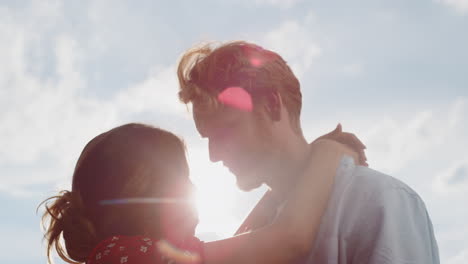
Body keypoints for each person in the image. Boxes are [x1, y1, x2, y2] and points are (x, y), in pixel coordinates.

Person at [177, 41, 440, 263]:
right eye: (208, 139)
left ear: (271, 105)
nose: (213, 155)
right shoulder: (259, 230)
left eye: (225, 131)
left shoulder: (377, 200)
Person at [39, 123, 366, 264]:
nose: (193, 189)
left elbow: (248, 239)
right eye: (183, 178)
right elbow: (289, 237)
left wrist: (289, 187)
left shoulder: (125, 255)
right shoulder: (129, 256)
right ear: (140, 190)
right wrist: (327, 153)